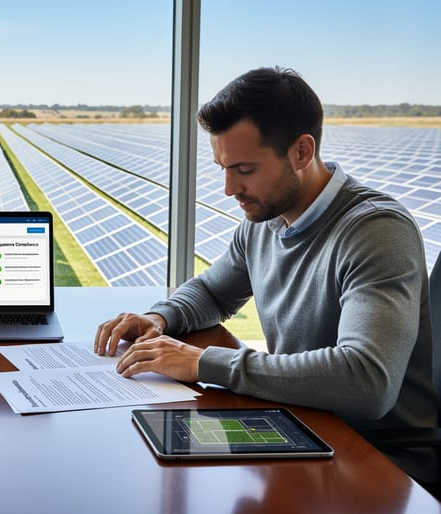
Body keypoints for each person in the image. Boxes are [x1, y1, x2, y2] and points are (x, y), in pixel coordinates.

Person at [95, 66, 437, 487]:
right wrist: (161, 319)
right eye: (222, 167)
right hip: (302, 427)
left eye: (244, 169)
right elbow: (212, 293)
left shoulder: (377, 231)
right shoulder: (264, 221)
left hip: (376, 461)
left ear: (301, 152)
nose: (228, 188)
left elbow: (368, 380)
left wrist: (203, 362)